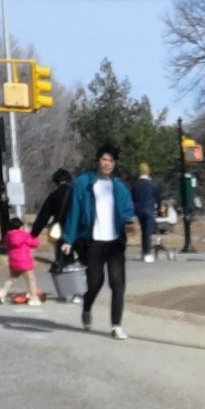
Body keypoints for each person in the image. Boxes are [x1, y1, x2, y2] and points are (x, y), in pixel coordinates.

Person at [61, 142, 135, 340]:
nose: (106, 163)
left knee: (118, 284)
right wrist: (68, 238)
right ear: (98, 161)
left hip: (115, 242)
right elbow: (75, 211)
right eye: (103, 159)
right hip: (94, 241)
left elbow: (127, 211)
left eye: (110, 160)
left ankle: (116, 326)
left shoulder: (119, 187)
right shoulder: (84, 183)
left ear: (114, 164)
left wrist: (129, 221)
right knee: (95, 282)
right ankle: (87, 307)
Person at [30, 168, 80, 301]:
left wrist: (33, 234)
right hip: (77, 231)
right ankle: (78, 293)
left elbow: (43, 217)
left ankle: (64, 292)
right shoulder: (76, 193)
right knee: (76, 262)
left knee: (62, 261)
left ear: (57, 181)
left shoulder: (54, 195)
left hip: (59, 232)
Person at [0, 218, 41, 306]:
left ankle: (2, 293)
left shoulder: (8, 236)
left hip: (13, 261)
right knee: (31, 280)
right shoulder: (25, 235)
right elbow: (35, 244)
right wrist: (29, 234)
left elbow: (6, 245)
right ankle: (33, 298)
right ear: (20, 227)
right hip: (25, 262)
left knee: (12, 278)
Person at [132, 162, 160, 263]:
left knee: (143, 231)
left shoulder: (136, 185)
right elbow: (157, 198)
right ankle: (147, 253)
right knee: (148, 233)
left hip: (139, 210)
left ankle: (143, 252)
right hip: (149, 210)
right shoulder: (151, 185)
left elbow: (133, 198)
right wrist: (159, 209)